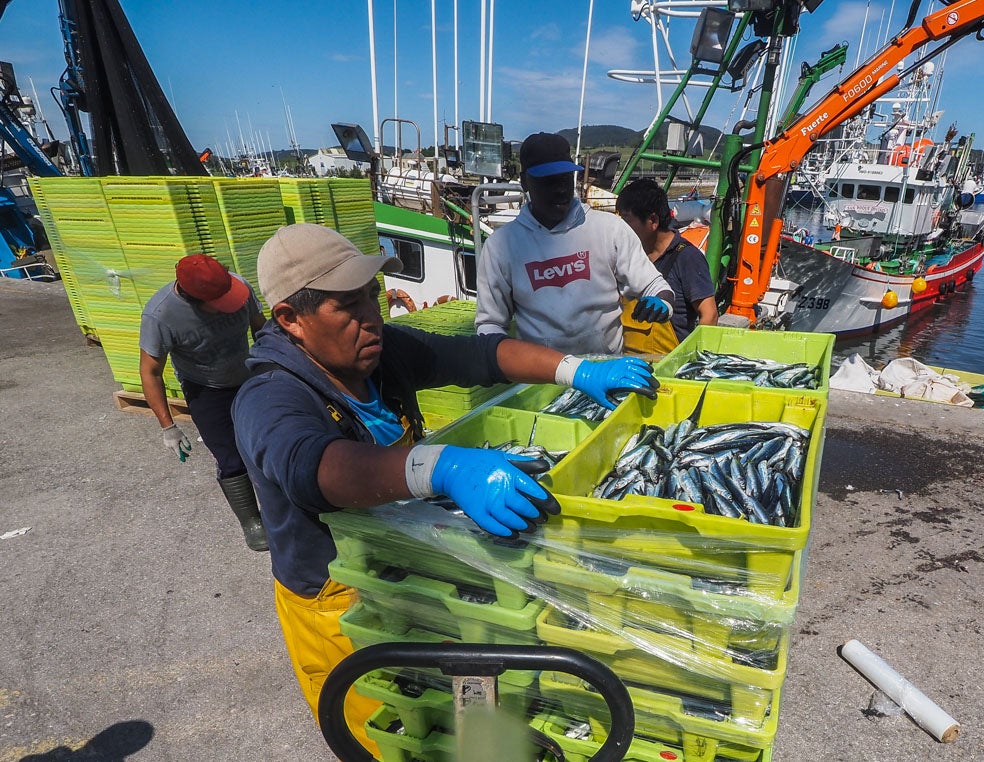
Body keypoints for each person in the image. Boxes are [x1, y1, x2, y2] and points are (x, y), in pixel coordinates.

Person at [231, 223, 658, 753]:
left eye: (372, 296)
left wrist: (576, 370)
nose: (372, 318)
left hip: (409, 574)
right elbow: (315, 468)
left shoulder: (381, 356)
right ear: (291, 320)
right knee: (390, 738)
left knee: (451, 729)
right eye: (347, 306)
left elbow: (480, 356)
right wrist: (444, 467)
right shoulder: (268, 397)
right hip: (339, 605)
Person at [476, 132, 674, 355]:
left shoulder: (610, 229)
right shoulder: (501, 246)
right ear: (524, 182)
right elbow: (491, 323)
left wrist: (663, 303)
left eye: (564, 178)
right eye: (548, 181)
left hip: (605, 370)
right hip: (540, 378)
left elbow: (655, 286)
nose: (560, 189)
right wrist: (497, 358)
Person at [139, 253, 269, 551]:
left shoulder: (239, 288)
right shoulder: (161, 316)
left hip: (249, 374)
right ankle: (252, 521)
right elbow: (150, 372)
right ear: (192, 298)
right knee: (231, 457)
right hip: (207, 389)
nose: (228, 303)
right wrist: (167, 426)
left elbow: (260, 327)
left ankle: (282, 507)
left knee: (269, 443)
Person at [615, 178, 718, 348]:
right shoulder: (627, 255)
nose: (620, 228)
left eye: (627, 220)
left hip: (669, 363)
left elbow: (710, 315)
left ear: (653, 221)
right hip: (629, 363)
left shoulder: (687, 257)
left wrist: (691, 360)